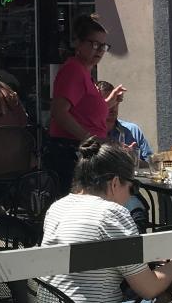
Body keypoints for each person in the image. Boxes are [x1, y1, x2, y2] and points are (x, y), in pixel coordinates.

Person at [38, 139, 172, 303]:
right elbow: (149, 288)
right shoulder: (111, 213)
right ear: (115, 183)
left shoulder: (57, 207)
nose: (131, 195)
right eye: (132, 187)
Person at [47, 14, 123, 196]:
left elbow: (84, 113)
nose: (99, 50)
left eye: (103, 46)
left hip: (82, 153)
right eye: (94, 44)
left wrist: (108, 102)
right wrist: (90, 139)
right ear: (78, 43)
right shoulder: (74, 71)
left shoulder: (84, 72)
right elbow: (59, 113)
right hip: (71, 153)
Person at [100, 81, 152, 163]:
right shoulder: (88, 133)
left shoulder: (132, 130)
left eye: (115, 102)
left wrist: (133, 160)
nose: (113, 107)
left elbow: (151, 164)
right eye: (109, 102)